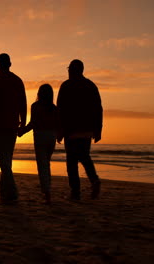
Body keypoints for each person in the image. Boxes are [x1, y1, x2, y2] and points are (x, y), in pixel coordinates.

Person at [57, 59, 103, 200]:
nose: (69, 71)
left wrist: (60, 130)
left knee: (72, 162)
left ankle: (75, 192)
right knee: (84, 157)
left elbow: (60, 110)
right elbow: (98, 109)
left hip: (71, 129)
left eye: (69, 69)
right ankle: (94, 180)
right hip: (86, 129)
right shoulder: (90, 86)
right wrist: (98, 129)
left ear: (73, 70)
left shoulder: (66, 86)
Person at [0, 53, 27, 202]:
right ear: (9, 64)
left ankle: (9, 191)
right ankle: (5, 192)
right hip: (10, 124)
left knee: (4, 160)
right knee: (6, 159)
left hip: (0, 124)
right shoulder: (16, 80)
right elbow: (23, 104)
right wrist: (22, 124)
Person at [18, 84, 58, 204]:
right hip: (51, 136)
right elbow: (58, 123)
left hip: (40, 136)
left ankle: (47, 192)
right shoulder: (54, 108)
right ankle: (47, 189)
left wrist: (22, 131)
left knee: (42, 165)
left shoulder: (35, 106)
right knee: (47, 163)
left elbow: (33, 123)